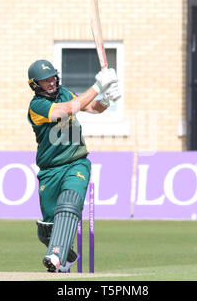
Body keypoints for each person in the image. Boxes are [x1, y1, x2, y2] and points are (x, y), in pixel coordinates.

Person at [27, 59, 121, 272]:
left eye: (52, 77)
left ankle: (56, 255)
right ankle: (65, 254)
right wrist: (98, 86)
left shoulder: (65, 93)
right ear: (35, 84)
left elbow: (92, 107)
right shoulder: (37, 106)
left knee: (69, 203)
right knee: (48, 229)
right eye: (44, 80)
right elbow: (69, 109)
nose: (50, 83)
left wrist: (106, 99)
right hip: (50, 170)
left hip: (76, 162)